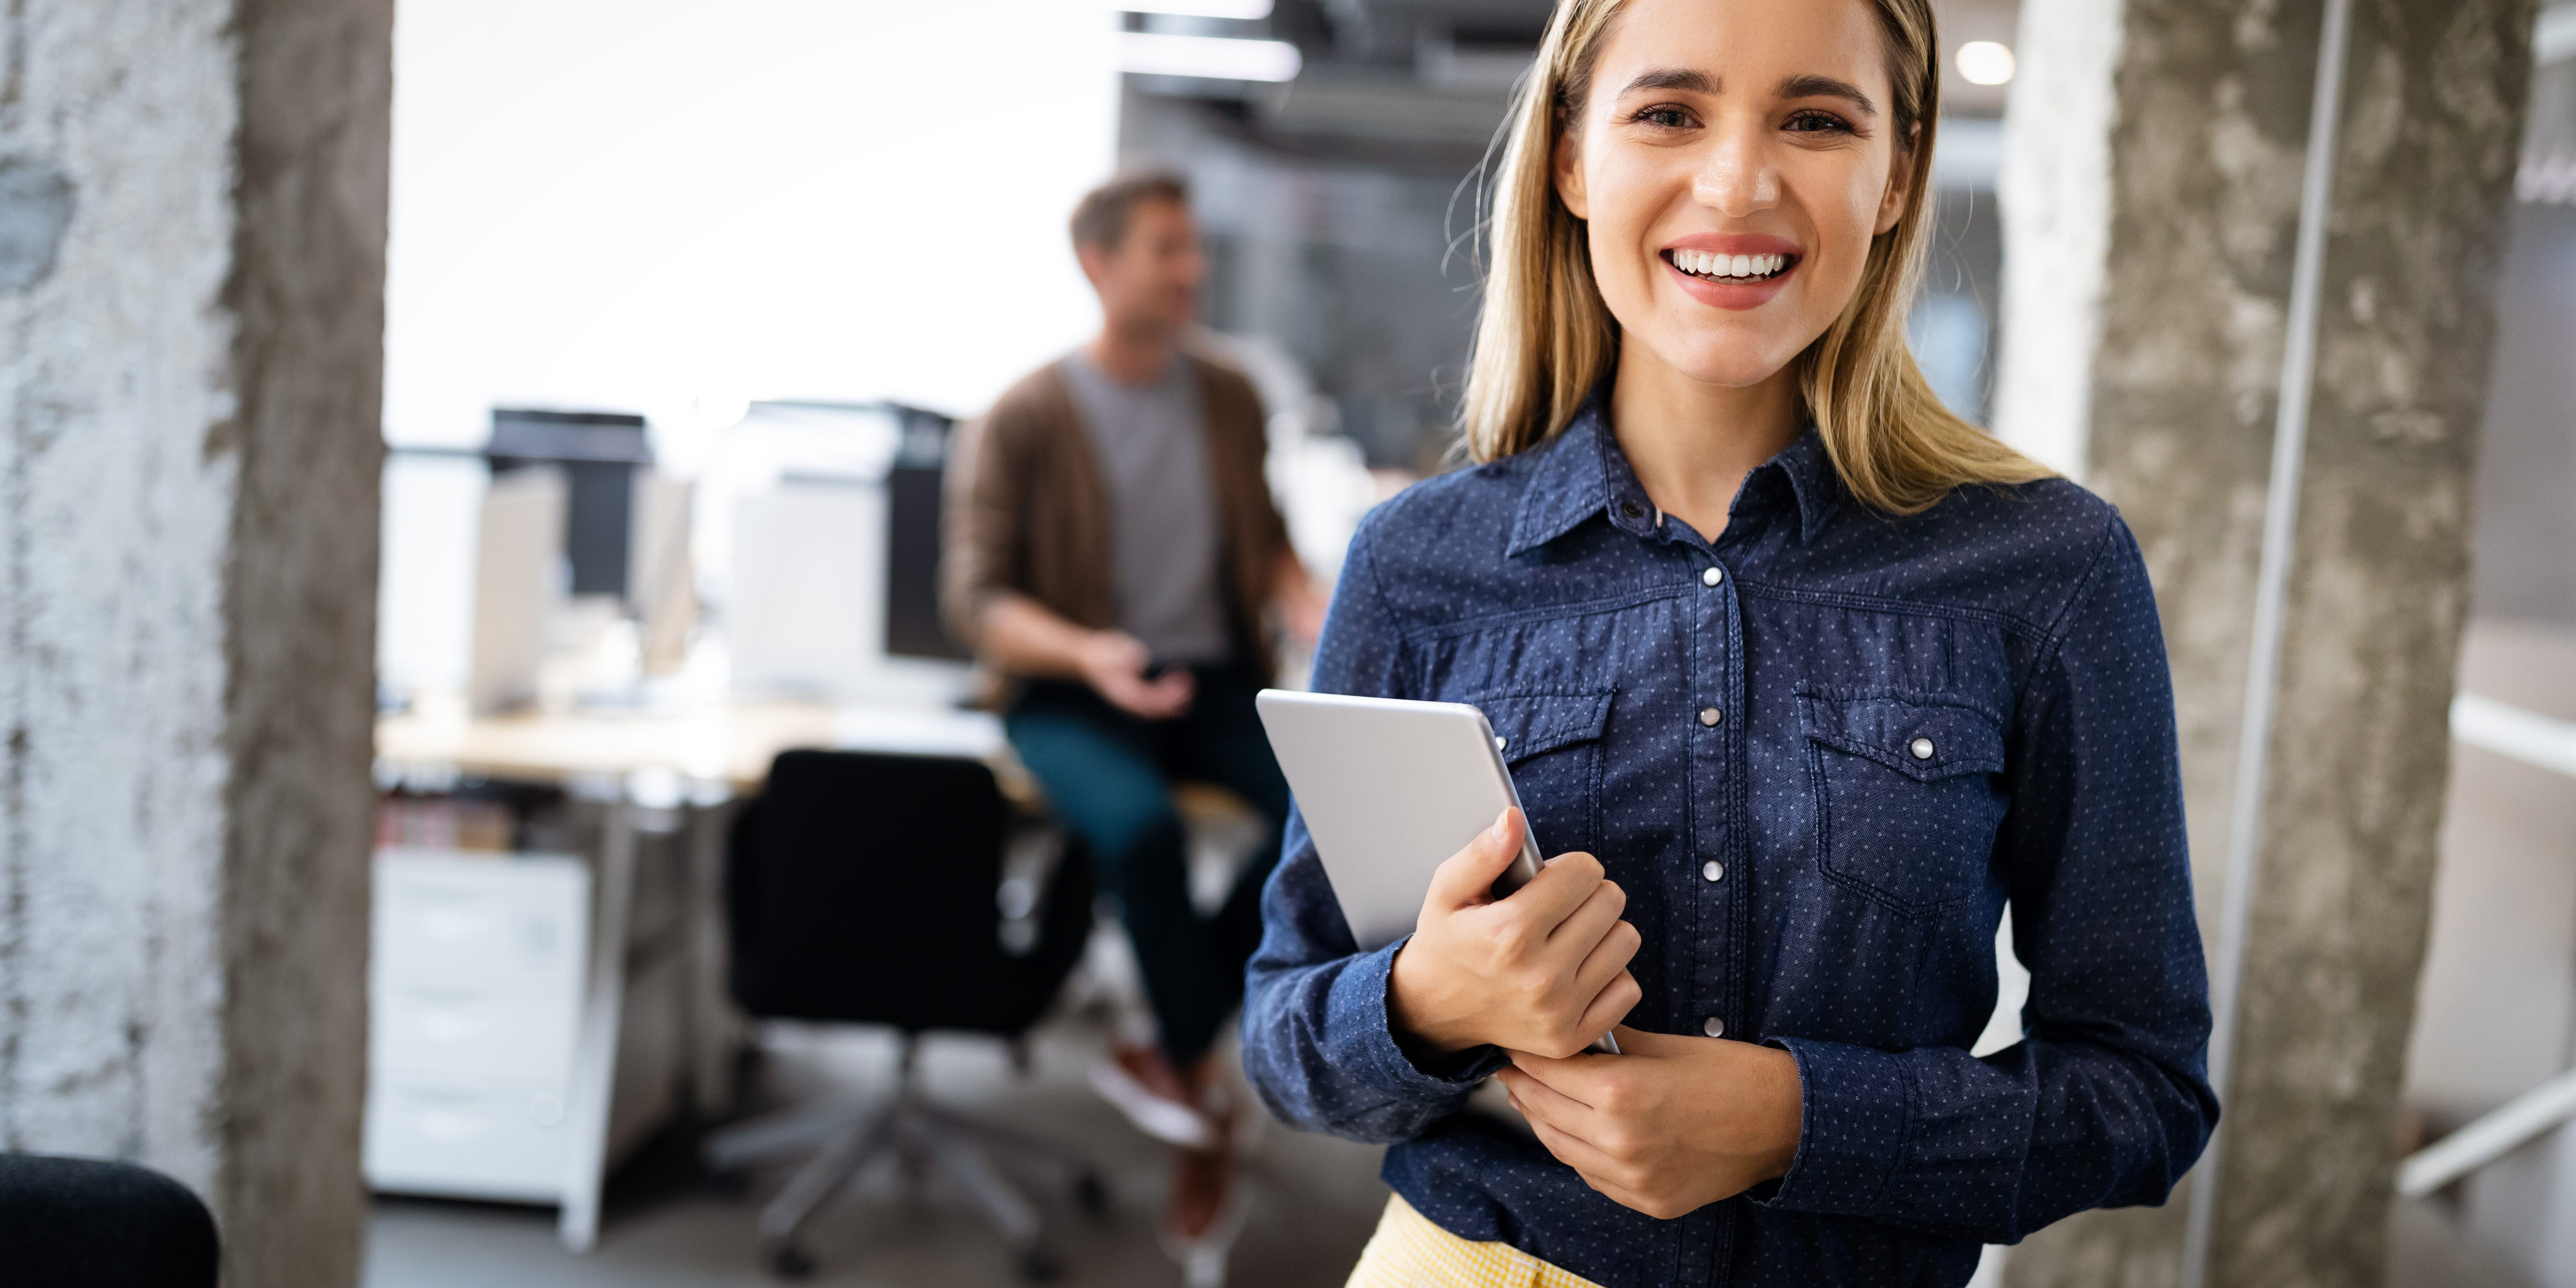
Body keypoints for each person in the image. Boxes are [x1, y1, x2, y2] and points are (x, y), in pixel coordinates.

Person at [1240, 1, 2219, 1285]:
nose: (1738, 182)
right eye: (1668, 113)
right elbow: (1283, 1040)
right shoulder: (1421, 565)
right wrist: (1425, 1002)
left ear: (1898, 174)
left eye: (1816, 120)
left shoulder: (2048, 573)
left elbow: (2141, 1094)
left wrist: (1792, 1122)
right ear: (1576, 158)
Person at [942, 172, 1326, 1259]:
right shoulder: (1021, 414)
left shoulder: (1228, 393)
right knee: (1143, 833)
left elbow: (1262, 530)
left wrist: (1306, 589)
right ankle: (1202, 1085)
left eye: (1194, 247)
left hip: (1209, 679)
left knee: (1324, 818)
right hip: (1073, 686)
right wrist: (1087, 652)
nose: (1192, 269)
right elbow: (976, 599)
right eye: (1168, 249)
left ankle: (1172, 1040)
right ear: (1099, 265)